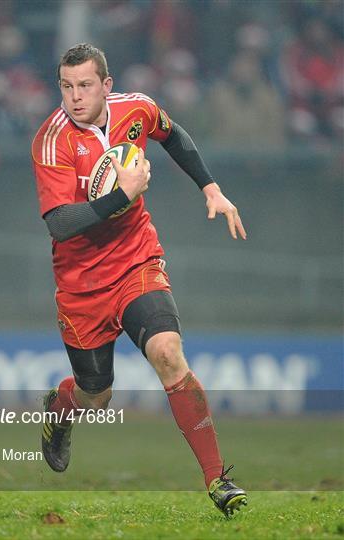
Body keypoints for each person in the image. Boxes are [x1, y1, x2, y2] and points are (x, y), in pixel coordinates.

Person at [31, 43, 247, 517]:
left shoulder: (138, 108)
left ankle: (217, 480)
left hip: (136, 261)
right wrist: (124, 193)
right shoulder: (52, 141)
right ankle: (60, 409)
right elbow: (60, 223)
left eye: (85, 85)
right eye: (66, 87)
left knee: (168, 353)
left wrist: (211, 187)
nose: (75, 96)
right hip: (82, 284)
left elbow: (173, 135)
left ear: (106, 85)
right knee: (97, 393)